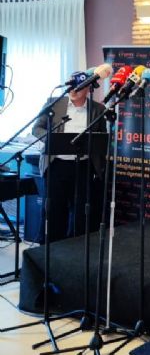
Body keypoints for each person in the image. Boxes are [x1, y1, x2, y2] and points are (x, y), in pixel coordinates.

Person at [32, 76, 106, 243]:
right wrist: (53, 140)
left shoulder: (98, 109)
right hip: (56, 165)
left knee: (81, 211)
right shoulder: (54, 103)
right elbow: (36, 128)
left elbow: (101, 138)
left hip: (84, 166)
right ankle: (50, 247)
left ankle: (75, 247)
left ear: (88, 89)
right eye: (71, 86)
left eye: (78, 87)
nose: (73, 90)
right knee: (53, 209)